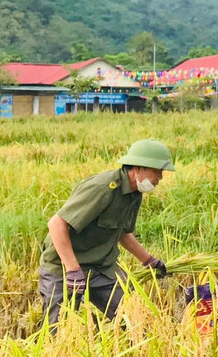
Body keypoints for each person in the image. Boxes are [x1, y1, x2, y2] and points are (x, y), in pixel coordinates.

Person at [39, 138, 174, 329]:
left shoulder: (134, 194)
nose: (160, 177)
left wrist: (148, 260)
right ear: (138, 168)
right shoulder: (103, 188)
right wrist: (72, 269)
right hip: (64, 268)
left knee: (135, 320)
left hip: (100, 268)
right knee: (58, 331)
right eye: (157, 171)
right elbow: (56, 224)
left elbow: (121, 232)